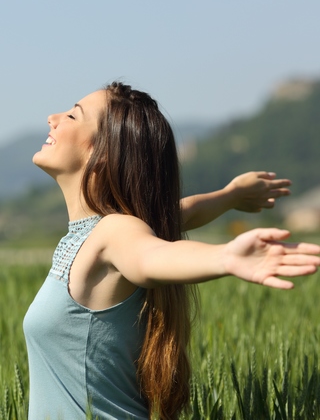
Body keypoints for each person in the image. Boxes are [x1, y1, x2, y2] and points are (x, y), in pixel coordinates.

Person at [23, 82, 319, 420]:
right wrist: (230, 195)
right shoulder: (96, 233)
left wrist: (226, 257)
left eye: (73, 115)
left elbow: (150, 256)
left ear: (102, 153)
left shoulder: (115, 232)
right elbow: (178, 213)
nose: (53, 118)